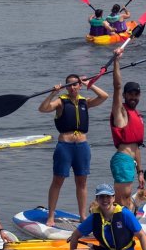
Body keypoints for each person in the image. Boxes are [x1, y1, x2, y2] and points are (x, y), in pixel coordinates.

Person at [20, 183, 146, 250]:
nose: (104, 200)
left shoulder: (124, 214)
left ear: (113, 198)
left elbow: (141, 234)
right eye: (101, 197)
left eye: (107, 196)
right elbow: (76, 235)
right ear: (97, 199)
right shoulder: (95, 217)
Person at [38, 52, 112, 226]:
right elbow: (43, 109)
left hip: (82, 147)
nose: (72, 88)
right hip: (65, 146)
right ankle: (50, 216)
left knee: (82, 181)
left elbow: (104, 96)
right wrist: (51, 94)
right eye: (70, 85)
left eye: (75, 85)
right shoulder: (60, 102)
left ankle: (82, 216)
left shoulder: (85, 101)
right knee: (58, 181)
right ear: (66, 87)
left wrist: (90, 85)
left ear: (79, 86)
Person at [109, 60, 145, 212]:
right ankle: (118, 226)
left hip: (131, 162)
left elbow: (136, 147)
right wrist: (116, 60)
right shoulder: (121, 112)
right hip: (122, 160)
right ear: (124, 95)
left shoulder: (136, 114)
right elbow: (117, 86)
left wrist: (140, 172)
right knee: (122, 199)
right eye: (130, 94)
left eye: (136, 94)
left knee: (127, 198)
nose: (133, 97)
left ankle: (124, 224)